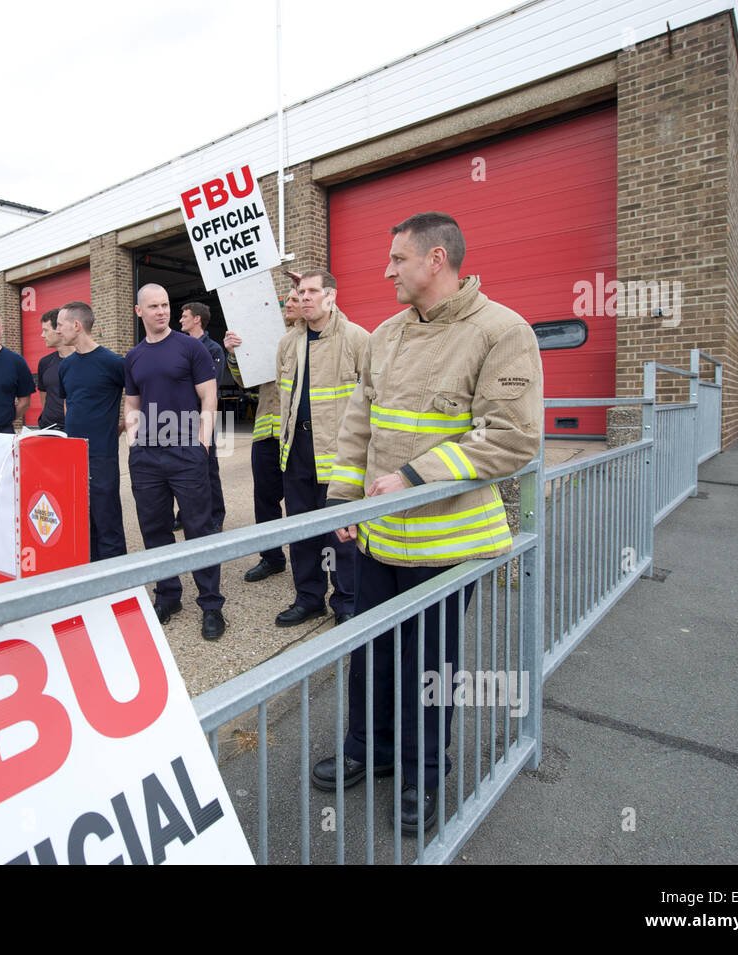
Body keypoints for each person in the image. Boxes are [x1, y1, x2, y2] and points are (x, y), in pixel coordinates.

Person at [312, 212, 543, 835]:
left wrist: (414, 477)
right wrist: (342, 497)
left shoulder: (501, 331)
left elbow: (513, 437)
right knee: (371, 649)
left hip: (449, 541)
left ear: (435, 260)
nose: (386, 270)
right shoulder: (385, 335)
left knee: (428, 666)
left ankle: (422, 771)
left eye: (397, 259)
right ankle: (370, 749)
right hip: (379, 535)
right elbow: (360, 418)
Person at [124, 283, 225, 640]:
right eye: (153, 306)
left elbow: (208, 397)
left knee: (200, 528)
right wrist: (134, 444)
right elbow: (132, 404)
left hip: (186, 451)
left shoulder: (191, 348)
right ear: (140, 312)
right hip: (147, 456)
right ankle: (168, 596)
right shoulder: (134, 356)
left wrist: (202, 445)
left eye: (166, 304)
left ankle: (211, 604)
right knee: (155, 529)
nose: (162, 311)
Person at [274, 269, 369, 628]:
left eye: (313, 291)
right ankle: (308, 599)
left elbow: (377, 397)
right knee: (301, 531)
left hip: (339, 454)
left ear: (331, 297)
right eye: (301, 291)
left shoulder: (357, 338)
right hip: (297, 451)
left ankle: (346, 600)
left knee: (341, 532)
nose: (304, 297)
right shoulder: (288, 343)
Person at [223, 285, 301, 582]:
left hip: (296, 435)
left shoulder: (312, 338)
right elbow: (246, 381)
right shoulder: (271, 339)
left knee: (299, 501)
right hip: (265, 434)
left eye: (297, 298)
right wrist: (234, 355)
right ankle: (271, 558)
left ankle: (309, 562)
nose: (290, 304)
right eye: (289, 300)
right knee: (265, 500)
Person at [56, 301, 127, 561]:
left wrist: (121, 426)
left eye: (60, 324)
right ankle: (91, 577)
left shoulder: (113, 363)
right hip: (73, 455)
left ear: (77, 325)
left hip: (101, 455)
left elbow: (135, 399)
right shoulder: (66, 365)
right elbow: (69, 405)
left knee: (106, 518)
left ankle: (116, 580)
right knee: (80, 520)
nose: (57, 330)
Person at [177, 301, 226, 533]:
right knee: (181, 468)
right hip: (178, 417)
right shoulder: (178, 346)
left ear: (197, 319)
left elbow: (211, 387)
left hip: (202, 415)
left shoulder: (213, 349)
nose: (180, 320)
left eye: (184, 316)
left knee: (207, 467)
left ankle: (216, 515)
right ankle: (184, 513)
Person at [36, 308, 71, 430]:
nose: (42, 335)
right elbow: (44, 397)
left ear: (59, 330)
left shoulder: (83, 361)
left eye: (45, 330)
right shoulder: (45, 363)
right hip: (48, 430)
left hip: (73, 431)